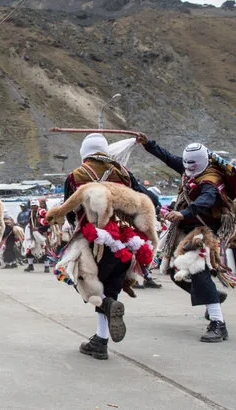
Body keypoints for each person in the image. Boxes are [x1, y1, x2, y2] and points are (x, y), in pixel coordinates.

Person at [136, 133, 236, 342]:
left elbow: (206, 201)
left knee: (199, 273)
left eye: (191, 164)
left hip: (203, 231)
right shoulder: (189, 170)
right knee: (174, 273)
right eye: (186, 164)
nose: (187, 167)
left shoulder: (211, 180)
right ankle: (213, 298)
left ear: (200, 162)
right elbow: (169, 158)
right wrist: (149, 145)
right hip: (185, 229)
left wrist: (183, 213)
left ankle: (218, 323)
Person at [66, 133, 137, 360]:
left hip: (94, 238)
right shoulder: (124, 173)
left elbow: (70, 209)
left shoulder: (77, 175)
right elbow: (143, 201)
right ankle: (101, 340)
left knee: (79, 277)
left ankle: (106, 307)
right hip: (124, 238)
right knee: (112, 286)